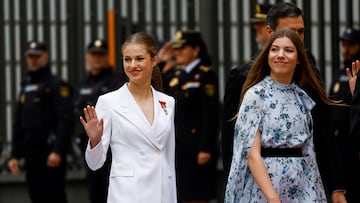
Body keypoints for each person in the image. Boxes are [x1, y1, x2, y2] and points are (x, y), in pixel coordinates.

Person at [222, 2, 347, 202]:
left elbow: (322, 133)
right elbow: (232, 141)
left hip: (303, 183)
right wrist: (235, 187)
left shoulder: (308, 77)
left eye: (301, 31)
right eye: (290, 31)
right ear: (269, 32)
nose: (297, 37)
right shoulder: (244, 80)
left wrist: (336, 185)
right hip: (261, 184)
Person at [80, 32, 177, 203]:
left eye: (139, 58)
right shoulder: (109, 102)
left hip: (162, 193)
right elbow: (95, 164)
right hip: (128, 194)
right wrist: (94, 141)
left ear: (154, 60)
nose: (133, 65)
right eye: (127, 59)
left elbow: (169, 159)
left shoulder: (167, 102)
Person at [7, 41, 74, 203]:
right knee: (36, 196)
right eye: (30, 56)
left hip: (50, 152)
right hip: (31, 154)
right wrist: (14, 154)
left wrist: (58, 150)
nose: (33, 60)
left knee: (54, 196)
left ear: (45, 57)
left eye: (37, 56)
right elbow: (18, 122)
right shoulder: (26, 86)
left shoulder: (56, 84)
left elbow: (65, 119)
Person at [162, 30, 219, 203]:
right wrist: (162, 61)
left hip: (197, 148)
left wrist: (206, 148)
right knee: (179, 195)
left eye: (183, 48)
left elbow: (211, 114)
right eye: (176, 49)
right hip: (178, 146)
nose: (177, 52)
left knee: (197, 195)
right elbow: (155, 89)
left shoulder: (204, 76)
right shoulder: (175, 75)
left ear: (196, 50)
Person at [221, 3, 272, 177]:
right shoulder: (243, 73)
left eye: (262, 24)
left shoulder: (304, 67)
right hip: (254, 164)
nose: (256, 28)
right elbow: (230, 127)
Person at [73, 39, 127, 203]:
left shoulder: (117, 82)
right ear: (87, 57)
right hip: (90, 145)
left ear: (107, 56)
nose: (96, 58)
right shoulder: (83, 83)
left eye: (100, 54)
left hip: (112, 147)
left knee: (111, 191)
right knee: (94, 191)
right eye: (93, 54)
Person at [328, 28, 360, 203]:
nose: (346, 49)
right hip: (340, 144)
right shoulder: (339, 74)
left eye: (351, 45)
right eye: (343, 44)